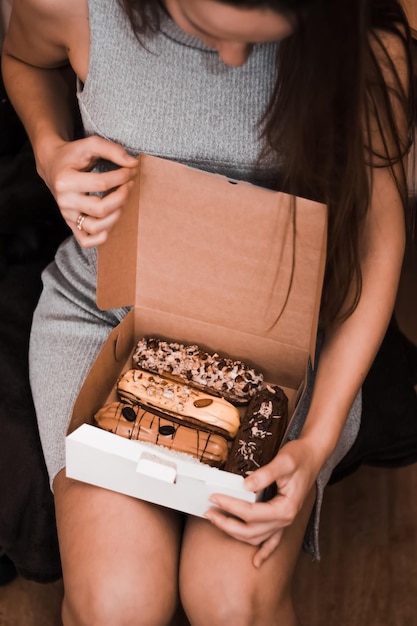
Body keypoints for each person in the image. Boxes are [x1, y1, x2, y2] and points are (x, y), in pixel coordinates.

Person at [1, 0, 415, 624]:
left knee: (230, 601)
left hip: (282, 337)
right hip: (105, 312)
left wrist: (318, 440)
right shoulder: (74, 7)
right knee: (118, 604)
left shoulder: (365, 39)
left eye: (264, 42)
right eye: (209, 32)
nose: (231, 61)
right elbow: (23, 60)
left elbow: (377, 236)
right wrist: (49, 149)